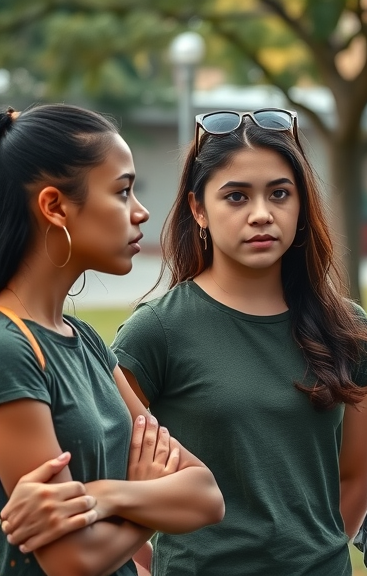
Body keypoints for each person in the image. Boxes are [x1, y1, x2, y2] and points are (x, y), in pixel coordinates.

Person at [111, 108, 367, 576]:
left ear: (301, 204)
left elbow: (353, 479)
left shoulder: (345, 327)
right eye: (236, 197)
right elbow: (117, 482)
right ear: (198, 209)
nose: (261, 214)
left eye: (279, 194)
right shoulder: (156, 332)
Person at [0, 104, 224, 576]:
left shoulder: (85, 341)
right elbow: (71, 559)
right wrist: (149, 498)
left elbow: (205, 495)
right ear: (55, 206)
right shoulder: (10, 349)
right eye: (122, 191)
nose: (141, 211)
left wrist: (103, 496)